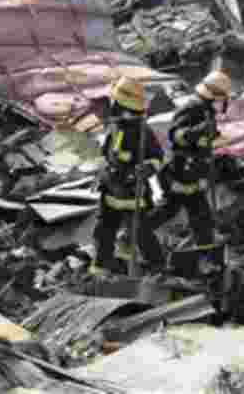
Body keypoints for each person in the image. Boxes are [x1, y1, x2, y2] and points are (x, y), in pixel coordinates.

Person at [92, 73, 165, 276]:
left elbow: (158, 156)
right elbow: (107, 153)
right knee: (104, 231)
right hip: (111, 188)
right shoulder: (113, 127)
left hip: (133, 190)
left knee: (141, 233)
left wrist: (148, 168)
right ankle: (100, 270)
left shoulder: (143, 132)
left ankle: (158, 268)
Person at [151, 69, 232, 249]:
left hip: (192, 170)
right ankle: (135, 233)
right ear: (215, 94)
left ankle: (206, 245)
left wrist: (215, 137)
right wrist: (201, 130)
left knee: (199, 210)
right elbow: (176, 135)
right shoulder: (192, 107)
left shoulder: (205, 109)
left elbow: (205, 136)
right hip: (179, 170)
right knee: (170, 208)